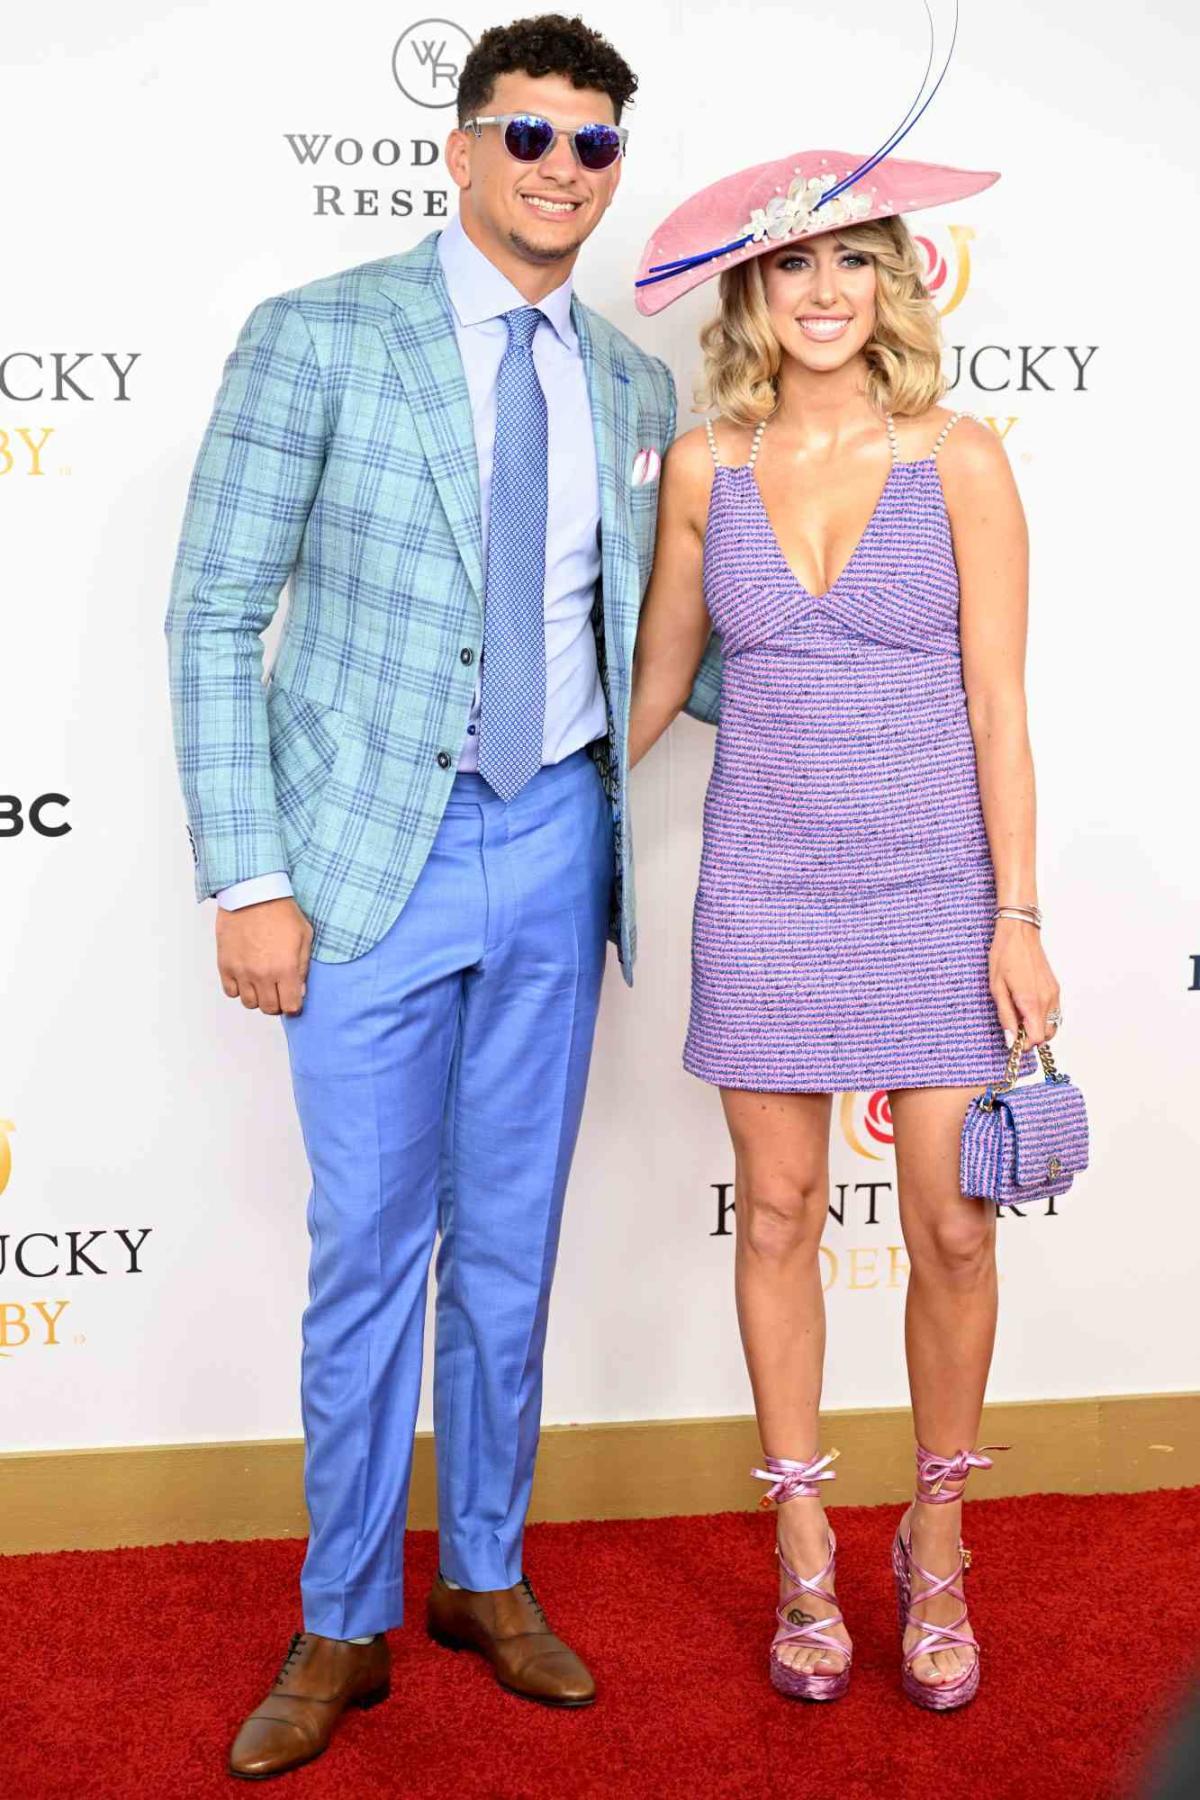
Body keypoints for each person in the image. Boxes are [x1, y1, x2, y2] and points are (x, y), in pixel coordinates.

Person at [165, 14, 674, 1779]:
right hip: (364, 863)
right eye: (529, 133)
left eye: (594, 144)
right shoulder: (315, 336)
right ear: (459, 150)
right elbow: (216, 615)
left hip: (556, 852)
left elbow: (656, 640)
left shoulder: (633, 386)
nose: (559, 168)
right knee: (370, 1253)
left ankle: (488, 1574)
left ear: (617, 174)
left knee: (513, 1252)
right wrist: (250, 876)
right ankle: (340, 1617)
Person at [628, 142, 1061, 1711]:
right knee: (781, 1215)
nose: (822, 292)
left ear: (892, 283)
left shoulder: (962, 456)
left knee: (952, 1222)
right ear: (754, 287)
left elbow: (1000, 707)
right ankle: (804, 1536)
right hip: (764, 886)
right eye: (792, 265)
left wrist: (1016, 915)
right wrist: (518, 785)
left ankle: (934, 1540)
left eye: (851, 261)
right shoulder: (706, 467)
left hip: (936, 884)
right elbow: (661, 685)